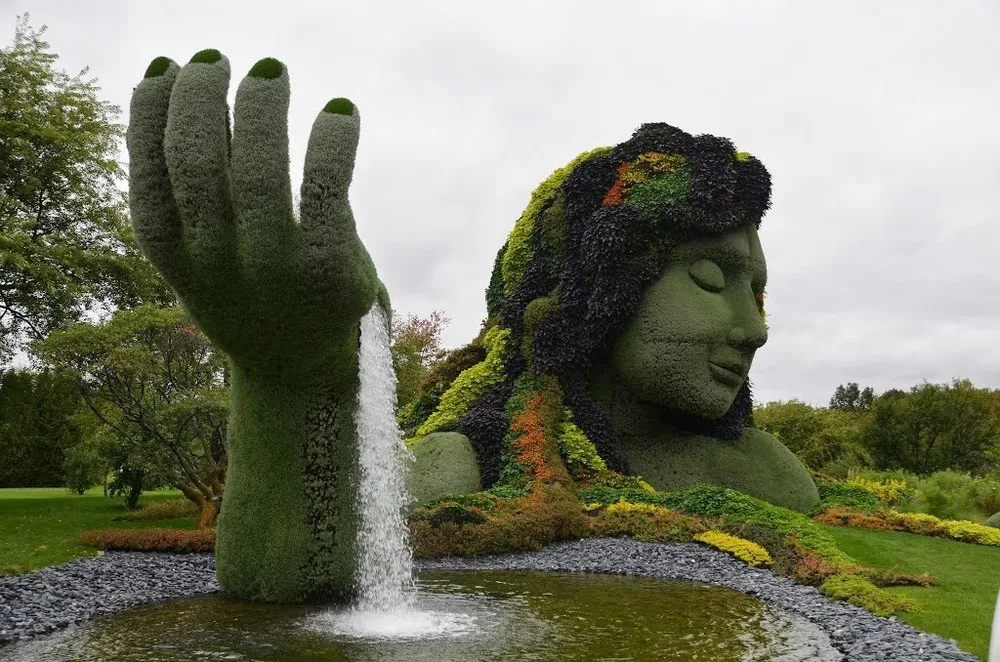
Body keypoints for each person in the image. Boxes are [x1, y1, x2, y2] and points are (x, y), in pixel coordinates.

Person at [405, 123, 819, 513]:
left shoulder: (770, 474)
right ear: (595, 286)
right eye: (709, 278)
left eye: (754, 292)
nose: (755, 330)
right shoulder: (465, 468)